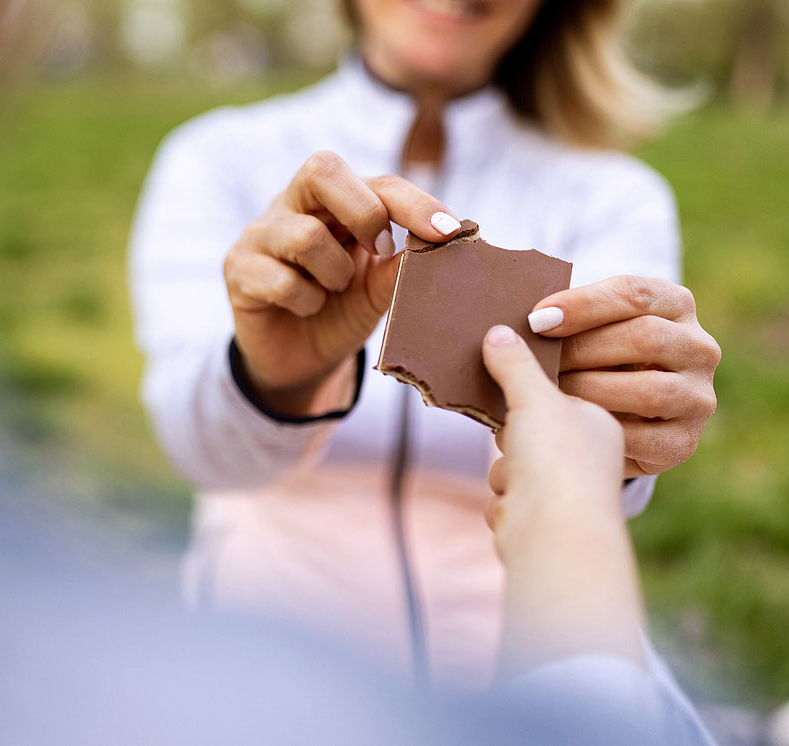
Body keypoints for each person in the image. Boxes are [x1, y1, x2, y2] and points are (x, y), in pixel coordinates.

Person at [129, 0, 722, 686]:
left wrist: (624, 440)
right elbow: (194, 448)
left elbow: (594, 489)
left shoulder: (614, 195)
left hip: (511, 683)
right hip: (259, 670)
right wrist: (271, 377)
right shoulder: (217, 157)